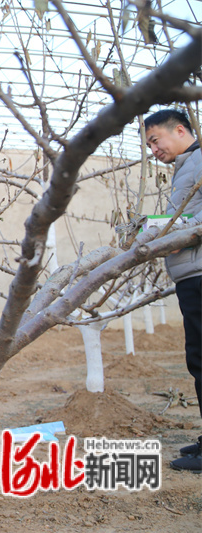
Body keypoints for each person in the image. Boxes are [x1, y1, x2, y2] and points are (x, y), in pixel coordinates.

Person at [145, 109, 202, 473]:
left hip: (199, 275)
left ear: (180, 130)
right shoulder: (187, 168)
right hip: (191, 276)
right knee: (197, 359)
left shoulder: (198, 162)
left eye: (155, 140)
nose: (153, 150)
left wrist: (173, 233)